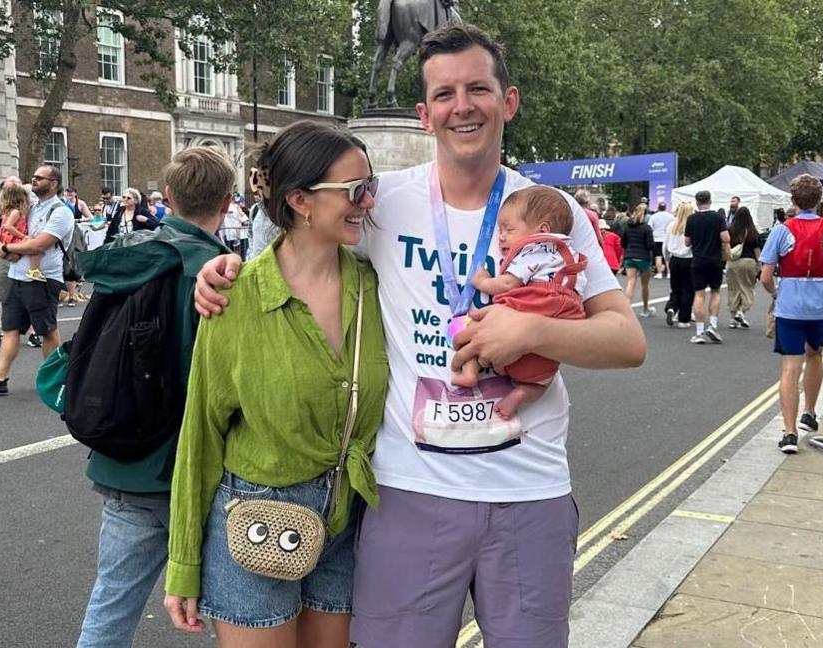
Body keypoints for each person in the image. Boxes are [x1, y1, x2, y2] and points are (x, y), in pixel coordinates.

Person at [192, 24, 644, 647]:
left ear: (507, 102)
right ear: (424, 114)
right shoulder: (382, 204)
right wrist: (222, 269)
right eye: (444, 94)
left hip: (528, 491)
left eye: (478, 89)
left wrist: (530, 329)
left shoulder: (549, 212)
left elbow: (627, 340)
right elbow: (295, 249)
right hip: (409, 491)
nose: (463, 106)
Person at [164, 123, 388, 648]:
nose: (369, 201)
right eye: (355, 190)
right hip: (255, 520)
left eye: (370, 186)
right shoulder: (235, 297)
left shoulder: (376, 287)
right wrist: (183, 562)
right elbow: (199, 435)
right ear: (300, 200)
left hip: (346, 517)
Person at [74, 147, 237, 648]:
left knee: (111, 606)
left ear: (167, 198)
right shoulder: (221, 272)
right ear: (229, 202)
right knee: (241, 614)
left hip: (124, 456)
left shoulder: (126, 258)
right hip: (198, 468)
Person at [459, 185, 587, 417]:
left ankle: (470, 370)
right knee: (541, 384)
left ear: (542, 229)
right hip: (547, 350)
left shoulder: (534, 250)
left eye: (508, 229)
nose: (502, 236)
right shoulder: (571, 255)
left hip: (530, 307)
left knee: (469, 330)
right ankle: (520, 394)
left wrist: (483, 281)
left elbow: (508, 284)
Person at [758, 173, 823, 453]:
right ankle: (809, 413)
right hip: (822, 306)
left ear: (793, 200)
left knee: (790, 365)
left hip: (790, 305)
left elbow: (765, 275)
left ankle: (789, 432)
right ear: (820, 200)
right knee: (815, 354)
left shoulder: (781, 231)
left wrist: (776, 293)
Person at [0, 165, 73, 394]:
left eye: (39, 178)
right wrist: (8, 192)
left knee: (46, 329)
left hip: (42, 279)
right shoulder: (31, 204)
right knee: (10, 328)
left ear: (54, 183)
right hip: (17, 275)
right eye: (33, 176)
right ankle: (0, 378)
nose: (33, 180)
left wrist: (6, 247)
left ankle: (57, 378)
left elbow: (39, 245)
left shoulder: (60, 212)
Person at [685, 189, 729, 344]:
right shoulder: (718, 217)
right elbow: (725, 238)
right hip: (715, 260)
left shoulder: (691, 219)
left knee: (699, 294)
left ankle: (699, 331)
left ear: (697, 202)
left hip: (697, 260)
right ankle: (713, 326)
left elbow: (687, 242)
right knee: (715, 292)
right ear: (710, 201)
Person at [0, 183, 47, 283]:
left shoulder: (9, 212)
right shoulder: (16, 212)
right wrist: (23, 236)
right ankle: (34, 270)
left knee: (15, 257)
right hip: (14, 238)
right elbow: (8, 226)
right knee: (34, 249)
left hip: (8, 239)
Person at [725, 206, 761, 329]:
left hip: (732, 262)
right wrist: (760, 265)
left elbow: (725, 246)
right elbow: (757, 251)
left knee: (733, 290)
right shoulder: (752, 231)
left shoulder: (730, 229)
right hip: (748, 262)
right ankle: (741, 312)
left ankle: (732, 318)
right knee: (747, 288)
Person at [620, 203, 656, 316]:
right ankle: (645, 309)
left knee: (630, 282)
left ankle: (627, 308)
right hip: (643, 258)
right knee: (645, 285)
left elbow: (623, 242)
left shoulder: (628, 226)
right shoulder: (647, 228)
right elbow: (650, 245)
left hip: (629, 256)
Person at [663, 201, 694, 328]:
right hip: (689, 259)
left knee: (675, 288)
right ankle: (684, 319)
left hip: (674, 259)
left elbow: (665, 245)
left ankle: (672, 307)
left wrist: (667, 259)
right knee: (687, 290)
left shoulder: (671, 225)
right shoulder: (692, 225)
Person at [648, 200, 674, 278]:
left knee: (658, 256)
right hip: (667, 238)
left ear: (658, 208)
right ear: (665, 208)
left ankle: (659, 273)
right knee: (668, 256)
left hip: (656, 238)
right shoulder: (670, 216)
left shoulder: (654, 216)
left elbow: (650, 227)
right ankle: (669, 273)